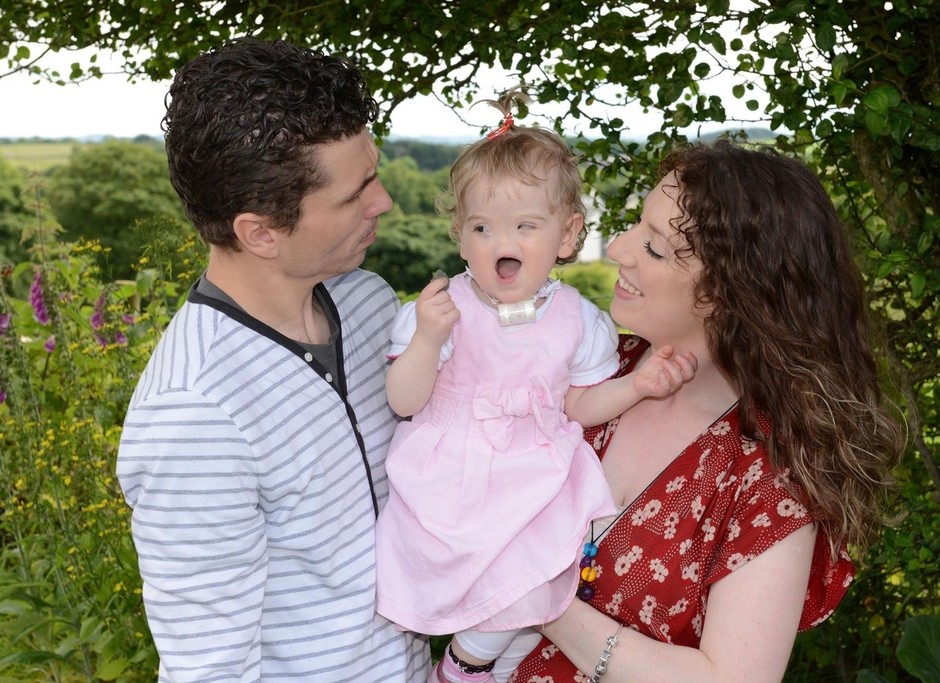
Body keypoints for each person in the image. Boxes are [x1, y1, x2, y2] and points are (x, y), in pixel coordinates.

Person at [509, 138, 905, 682]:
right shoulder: (590, 369)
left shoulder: (769, 476)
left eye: (654, 248)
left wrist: (546, 606)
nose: (618, 248)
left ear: (728, 290)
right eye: (635, 226)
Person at [115, 38, 430, 682]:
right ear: (260, 232)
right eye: (355, 195)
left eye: (373, 174)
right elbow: (210, 669)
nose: (383, 203)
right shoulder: (196, 413)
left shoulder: (369, 302)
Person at [373, 91, 696, 683]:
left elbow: (581, 406)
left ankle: (476, 666)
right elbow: (403, 401)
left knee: (539, 574)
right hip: (456, 477)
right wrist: (426, 340)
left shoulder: (578, 319)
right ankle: (466, 664)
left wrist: (637, 387)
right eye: (482, 227)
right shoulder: (442, 310)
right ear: (460, 236)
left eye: (526, 226)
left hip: (536, 474)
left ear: (566, 236)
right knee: (505, 584)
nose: (504, 243)